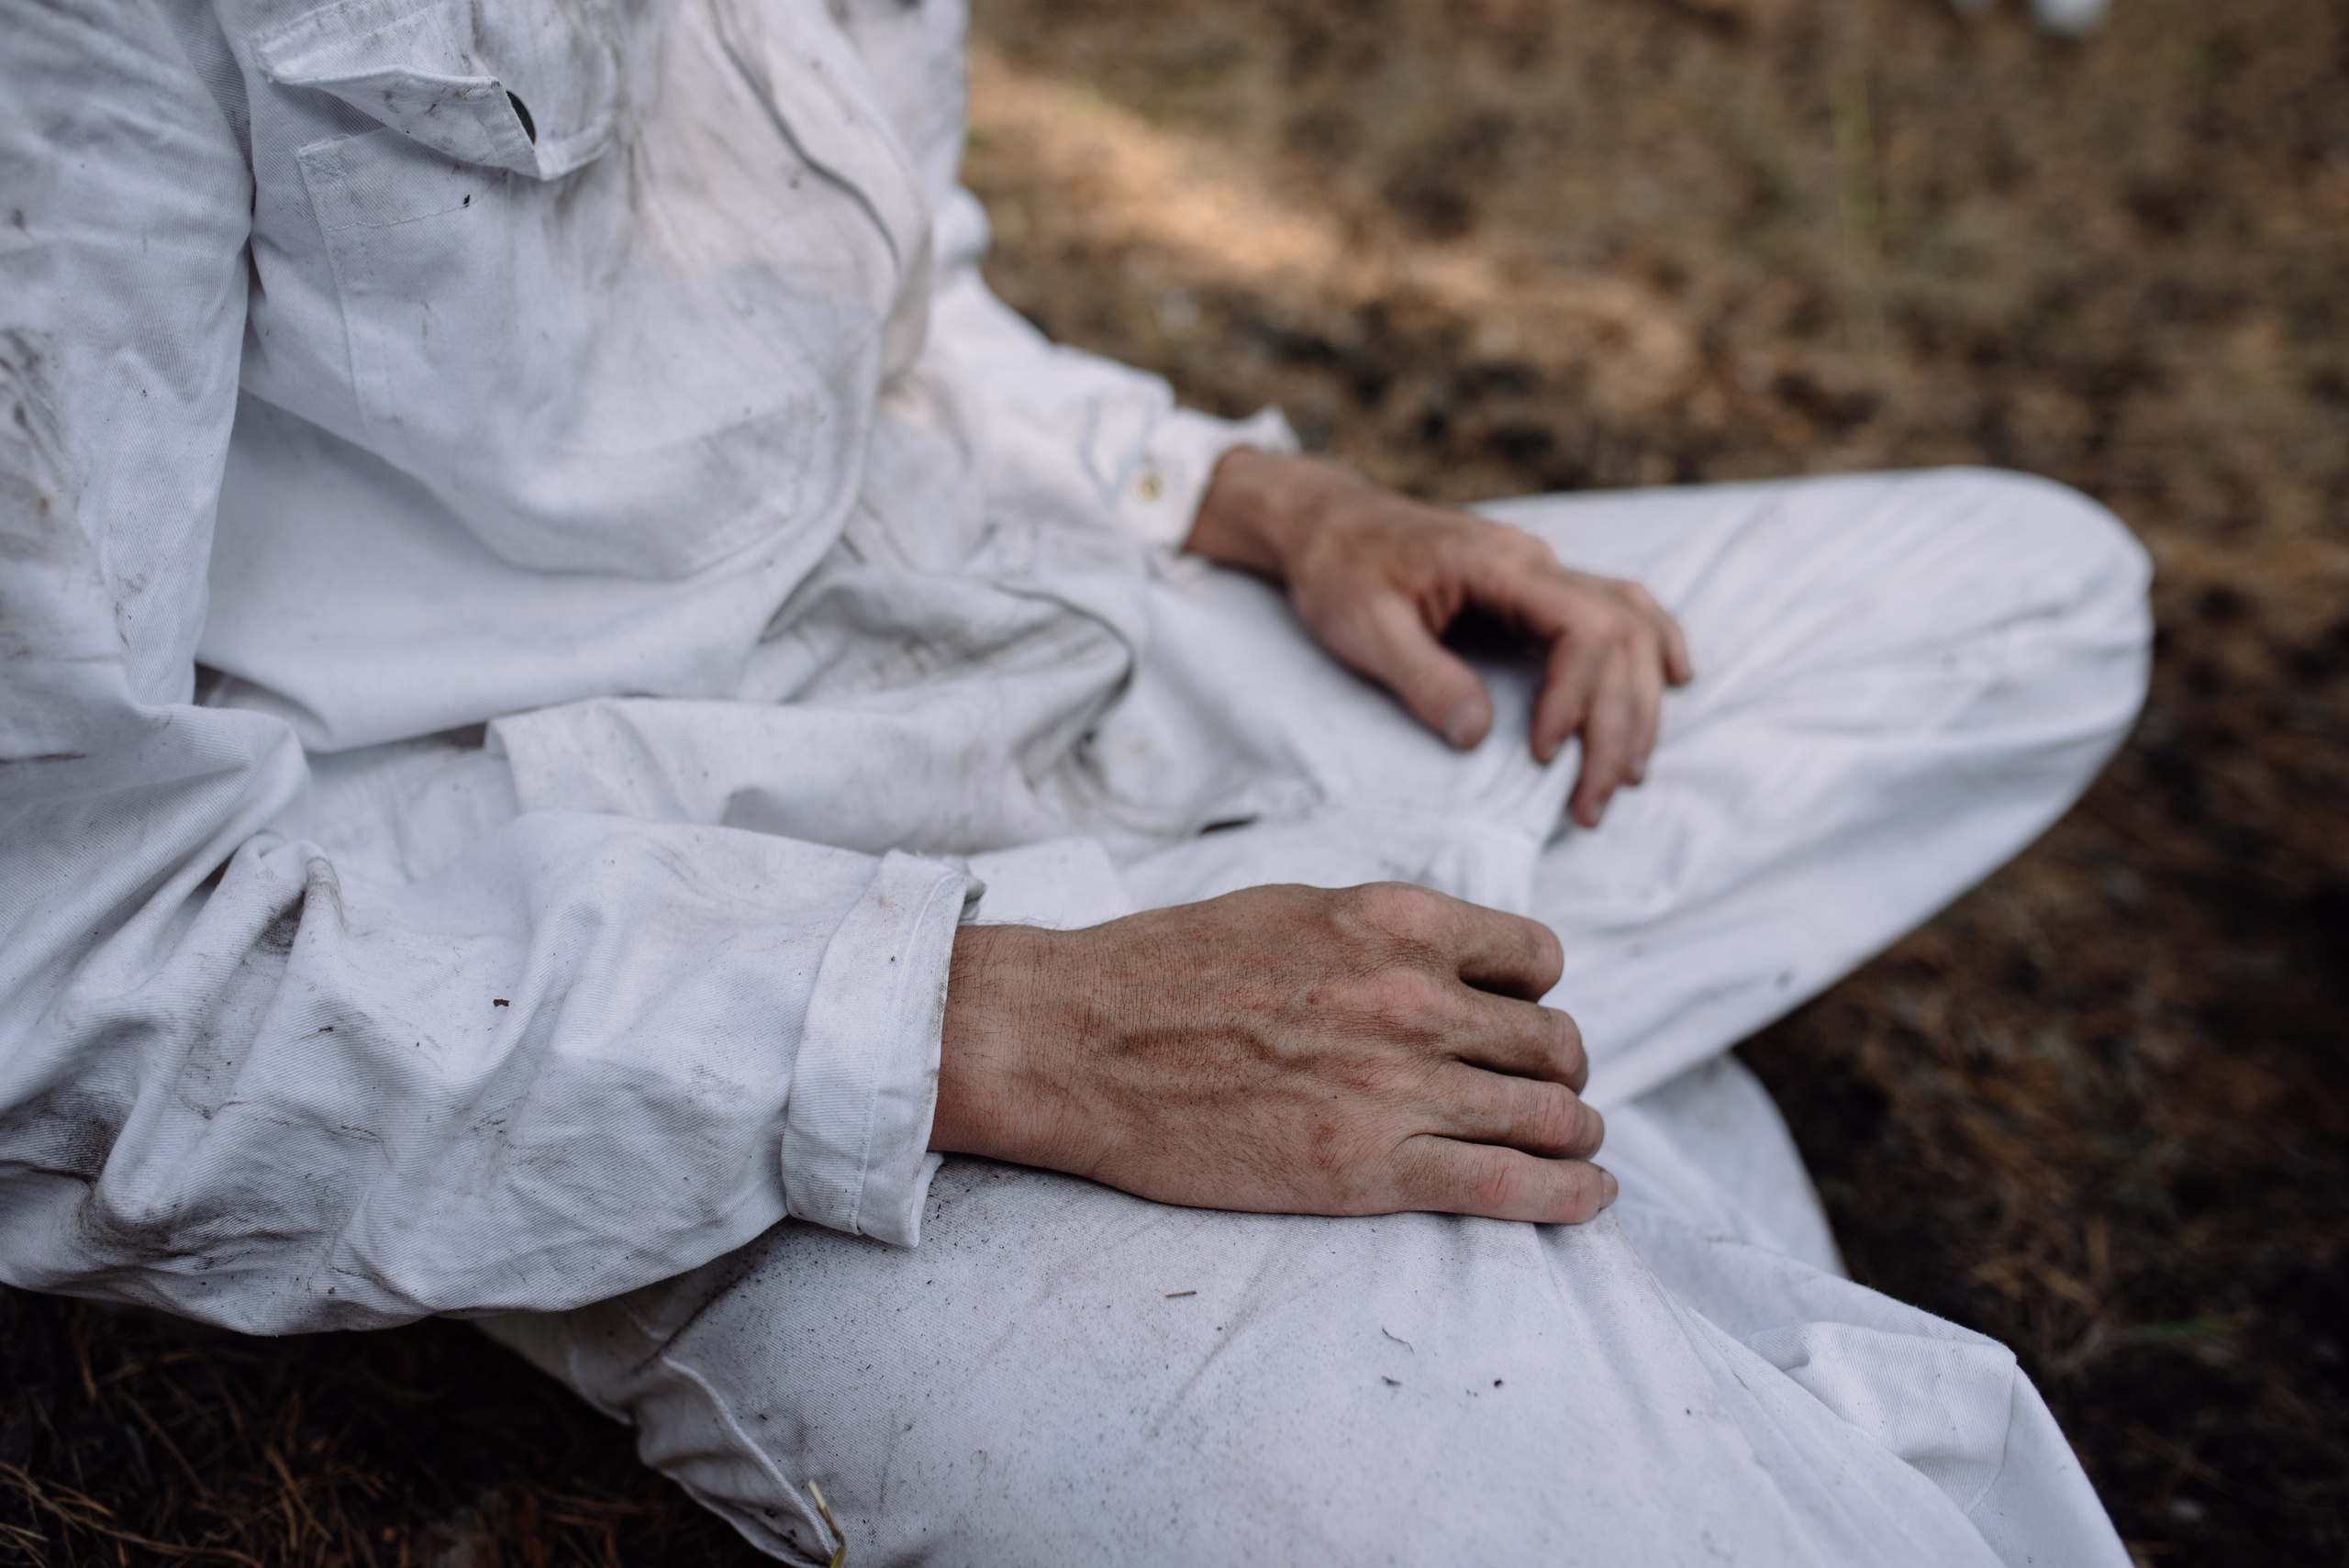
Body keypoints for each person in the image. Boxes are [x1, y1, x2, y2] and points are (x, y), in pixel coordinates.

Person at [0, 1, 2150, 1562]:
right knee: (1685, 1511)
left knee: (2026, 606)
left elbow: (897, 319)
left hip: (1041, 658)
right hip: (639, 959)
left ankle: (1385, 1049)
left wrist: (1254, 495)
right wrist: (1006, 1030)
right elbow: (56, 978)